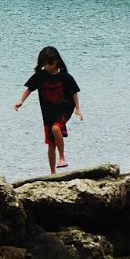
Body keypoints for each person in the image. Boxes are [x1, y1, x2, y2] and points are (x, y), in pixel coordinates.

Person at [14, 45, 83, 174]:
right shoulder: (40, 76)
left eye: (49, 64)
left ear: (56, 61)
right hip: (47, 113)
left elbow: (74, 93)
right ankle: (52, 173)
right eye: (44, 64)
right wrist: (21, 101)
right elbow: (29, 89)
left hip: (64, 109)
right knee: (51, 144)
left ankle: (62, 157)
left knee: (56, 128)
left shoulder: (65, 77)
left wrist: (77, 109)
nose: (47, 67)